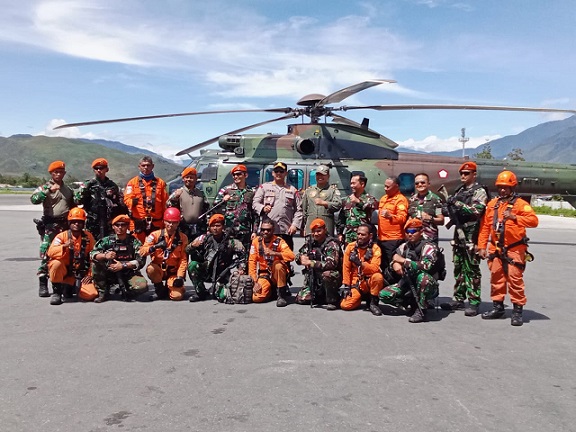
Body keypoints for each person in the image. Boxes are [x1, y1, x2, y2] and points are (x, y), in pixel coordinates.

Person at [478, 170, 539, 326]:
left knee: (515, 280)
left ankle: (517, 311)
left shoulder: (520, 205)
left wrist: (514, 217)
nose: (503, 190)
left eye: (506, 187)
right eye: (500, 187)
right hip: (496, 249)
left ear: (512, 187)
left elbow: (534, 221)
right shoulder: (492, 205)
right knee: (496, 279)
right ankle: (497, 308)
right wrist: (482, 246)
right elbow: (485, 227)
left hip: (514, 249)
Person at [440, 161, 489, 317]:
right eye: (461, 173)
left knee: (472, 268)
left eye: (466, 173)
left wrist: (456, 203)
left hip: (471, 234)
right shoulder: (460, 190)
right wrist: (447, 207)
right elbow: (451, 208)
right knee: (459, 266)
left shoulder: (479, 191)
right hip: (459, 232)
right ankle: (459, 298)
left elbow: (477, 211)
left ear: (474, 174)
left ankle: (474, 301)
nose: (463, 176)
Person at [379, 218, 441, 323]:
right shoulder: (405, 246)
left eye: (413, 231)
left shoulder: (429, 247)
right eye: (407, 231)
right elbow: (395, 258)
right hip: (408, 282)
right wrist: (395, 264)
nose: (410, 234)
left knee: (423, 278)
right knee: (384, 294)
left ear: (421, 232)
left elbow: (426, 266)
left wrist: (404, 261)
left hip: (428, 284)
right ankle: (411, 303)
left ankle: (421, 309)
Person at [30, 160, 74, 298]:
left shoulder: (68, 190)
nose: (58, 174)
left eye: (61, 172)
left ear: (64, 173)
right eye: (56, 172)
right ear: (51, 173)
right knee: (47, 253)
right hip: (50, 226)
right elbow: (34, 199)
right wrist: (48, 191)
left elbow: (73, 205)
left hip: (65, 226)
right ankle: (43, 282)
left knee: (66, 252)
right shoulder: (44, 187)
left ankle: (64, 283)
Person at [186, 214, 245, 302]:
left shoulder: (231, 242)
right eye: (213, 226)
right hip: (206, 271)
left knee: (222, 297)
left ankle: (217, 289)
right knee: (192, 265)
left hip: (222, 275)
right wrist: (192, 246)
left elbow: (243, 255)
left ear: (223, 227)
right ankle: (201, 293)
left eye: (218, 226)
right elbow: (187, 250)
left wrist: (241, 268)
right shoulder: (203, 238)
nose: (215, 228)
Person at [90, 214, 148, 303]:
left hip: (128, 273)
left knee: (142, 286)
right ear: (113, 227)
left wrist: (123, 265)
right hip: (109, 273)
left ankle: (128, 290)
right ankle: (102, 291)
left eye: (123, 225)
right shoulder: (106, 240)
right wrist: (105, 256)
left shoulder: (134, 242)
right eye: (117, 225)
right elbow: (93, 254)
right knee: (96, 263)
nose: (120, 227)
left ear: (127, 226)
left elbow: (141, 260)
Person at [46, 208, 97, 305]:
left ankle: (70, 286)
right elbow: (51, 252)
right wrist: (64, 246)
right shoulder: (61, 236)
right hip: (65, 271)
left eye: (79, 222)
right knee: (56, 263)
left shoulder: (88, 236)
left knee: (91, 294)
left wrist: (90, 274)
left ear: (83, 223)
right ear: (69, 223)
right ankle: (57, 292)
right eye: (74, 222)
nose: (76, 224)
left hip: (80, 272)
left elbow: (93, 256)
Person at [140, 208, 188, 301]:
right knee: (151, 269)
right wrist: (154, 247)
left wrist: (180, 277)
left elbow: (183, 259)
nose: (171, 225)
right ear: (164, 221)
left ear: (178, 223)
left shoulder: (183, 238)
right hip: (159, 269)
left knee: (177, 296)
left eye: (174, 222)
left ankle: (171, 288)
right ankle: (159, 289)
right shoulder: (155, 235)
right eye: (168, 222)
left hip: (173, 271)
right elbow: (142, 251)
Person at [252, 162, 303, 251]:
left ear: (286, 173)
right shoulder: (264, 187)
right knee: (267, 256)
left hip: (285, 231)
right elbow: (255, 203)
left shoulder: (292, 190)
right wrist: (263, 208)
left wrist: (295, 225)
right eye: (276, 171)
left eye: (281, 171)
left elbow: (299, 209)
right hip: (268, 231)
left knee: (285, 257)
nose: (278, 173)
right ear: (272, 173)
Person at [295, 218, 342, 309]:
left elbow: (331, 264)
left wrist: (311, 263)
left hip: (331, 277)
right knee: (301, 299)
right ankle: (319, 295)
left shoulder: (332, 244)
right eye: (314, 231)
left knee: (328, 274)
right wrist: (300, 258)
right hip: (314, 278)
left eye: (319, 231)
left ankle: (332, 300)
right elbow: (299, 255)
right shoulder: (311, 243)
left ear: (325, 230)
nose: (316, 234)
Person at [74, 158, 126, 240]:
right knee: (90, 243)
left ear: (107, 169)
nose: (99, 170)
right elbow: (77, 200)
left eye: (101, 168)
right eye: (96, 168)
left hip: (108, 222)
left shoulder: (112, 186)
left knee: (108, 244)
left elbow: (120, 204)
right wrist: (85, 190)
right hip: (92, 222)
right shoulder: (88, 184)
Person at [248, 218, 295, 307]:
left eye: (268, 230)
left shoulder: (279, 241)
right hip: (264, 275)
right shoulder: (256, 242)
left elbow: (291, 256)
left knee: (278, 265)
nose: (265, 232)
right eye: (263, 230)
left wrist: (275, 253)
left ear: (273, 230)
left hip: (276, 275)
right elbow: (252, 262)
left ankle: (281, 295)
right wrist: (254, 282)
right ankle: (271, 291)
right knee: (256, 298)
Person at [340, 223, 384, 316]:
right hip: (356, 282)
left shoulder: (375, 248)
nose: (359, 236)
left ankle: (373, 303)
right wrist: (346, 286)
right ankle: (359, 298)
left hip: (368, 281)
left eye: (363, 234)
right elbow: (346, 267)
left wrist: (361, 264)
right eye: (358, 234)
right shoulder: (350, 247)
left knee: (378, 277)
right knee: (345, 305)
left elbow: (375, 268)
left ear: (370, 236)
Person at [212, 164, 257, 250]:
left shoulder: (252, 192)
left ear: (246, 175)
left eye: (239, 174)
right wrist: (223, 201)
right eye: (234, 175)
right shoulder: (226, 190)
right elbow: (214, 207)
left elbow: (255, 214)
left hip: (245, 231)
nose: (236, 176)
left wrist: (254, 231)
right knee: (227, 254)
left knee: (244, 255)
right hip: (229, 231)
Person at [124, 156, 168, 243]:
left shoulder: (161, 183)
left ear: (152, 166)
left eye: (148, 165)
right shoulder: (132, 183)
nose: (146, 167)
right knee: (138, 248)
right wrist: (132, 202)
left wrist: (165, 221)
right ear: (139, 166)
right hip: (138, 223)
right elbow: (126, 199)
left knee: (156, 248)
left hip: (156, 223)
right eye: (143, 165)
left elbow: (165, 203)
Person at [167, 166, 209, 242]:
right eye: (187, 177)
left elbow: (207, 209)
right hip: (183, 228)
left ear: (196, 179)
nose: (189, 179)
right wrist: (175, 197)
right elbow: (168, 206)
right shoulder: (178, 192)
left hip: (198, 228)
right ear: (183, 179)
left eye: (191, 177)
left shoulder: (201, 193)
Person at [337, 173, 378, 245]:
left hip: (364, 239)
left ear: (362, 184)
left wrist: (358, 202)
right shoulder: (347, 200)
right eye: (351, 183)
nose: (351, 186)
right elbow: (342, 218)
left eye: (354, 183)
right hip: (349, 238)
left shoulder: (370, 199)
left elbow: (372, 206)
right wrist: (340, 233)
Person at [377, 176, 409, 268]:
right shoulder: (383, 198)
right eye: (385, 186)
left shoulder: (401, 200)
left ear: (396, 186)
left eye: (388, 187)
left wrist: (391, 216)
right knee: (382, 265)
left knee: (392, 265)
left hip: (393, 239)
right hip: (381, 238)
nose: (385, 188)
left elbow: (402, 218)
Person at [301, 165, 342, 236]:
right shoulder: (309, 190)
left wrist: (325, 203)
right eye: (318, 175)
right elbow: (304, 210)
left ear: (328, 176)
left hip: (326, 227)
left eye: (323, 175)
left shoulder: (332, 190)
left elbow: (338, 204)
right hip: (311, 226)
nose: (320, 177)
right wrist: (303, 226)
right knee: (310, 242)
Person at [408, 173, 445, 244]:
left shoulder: (435, 200)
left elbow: (441, 220)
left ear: (428, 184)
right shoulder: (412, 200)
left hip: (430, 238)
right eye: (417, 183)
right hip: (414, 238)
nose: (419, 185)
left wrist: (430, 218)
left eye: (423, 182)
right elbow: (409, 218)